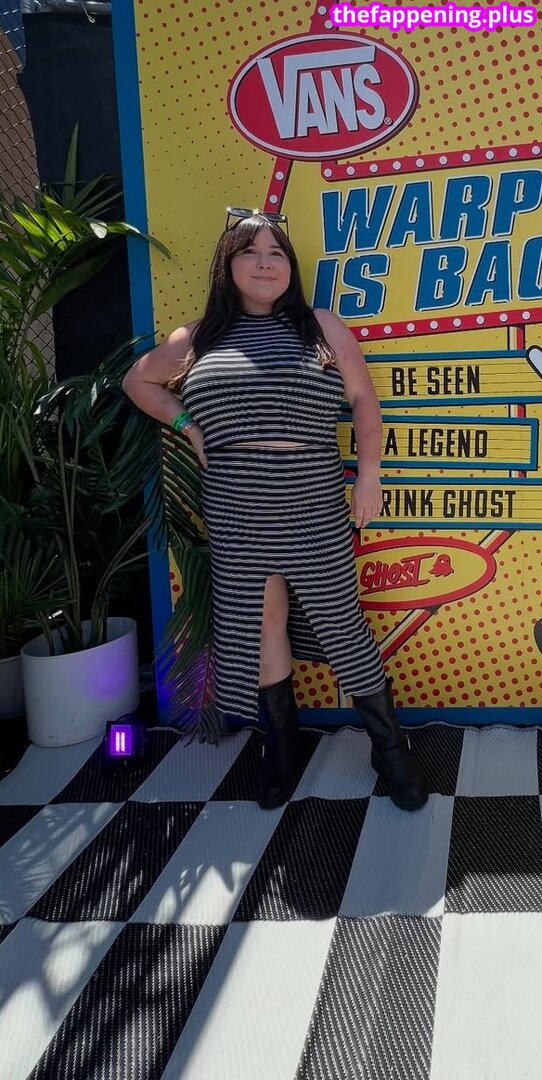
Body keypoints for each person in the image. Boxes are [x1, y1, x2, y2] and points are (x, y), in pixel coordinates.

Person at [122, 208, 428, 812]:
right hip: (236, 502)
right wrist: (187, 425)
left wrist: (369, 476)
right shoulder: (200, 337)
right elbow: (139, 382)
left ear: (290, 266)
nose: (265, 263)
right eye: (250, 252)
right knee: (265, 620)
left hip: (312, 497)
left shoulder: (322, 325)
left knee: (340, 620)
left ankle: (389, 747)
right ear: (228, 266)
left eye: (276, 253)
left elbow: (364, 402)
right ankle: (280, 744)